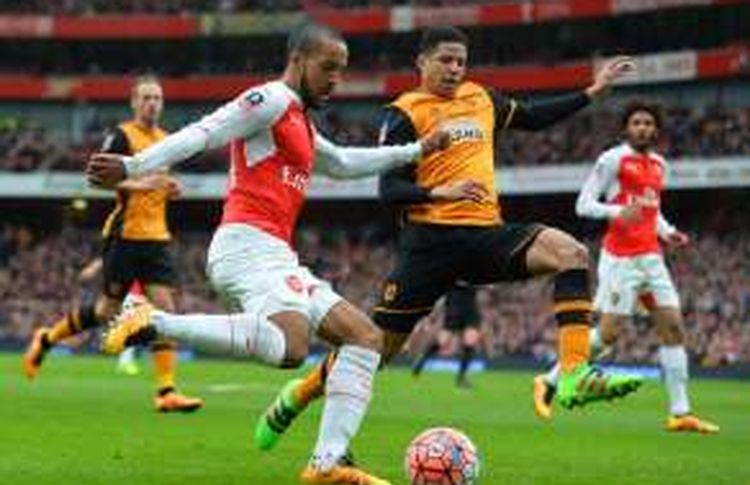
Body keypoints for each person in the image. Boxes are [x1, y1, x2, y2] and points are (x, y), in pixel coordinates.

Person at [86, 23, 450, 485]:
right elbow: (207, 130)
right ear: (298, 60)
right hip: (245, 244)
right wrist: (135, 166)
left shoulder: (298, 117)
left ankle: (326, 462)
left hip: (274, 252)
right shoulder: (270, 100)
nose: (336, 80)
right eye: (328, 68)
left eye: (342, 70)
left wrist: (416, 149)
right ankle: (155, 321)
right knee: (293, 346)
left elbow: (340, 163)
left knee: (364, 338)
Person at [255, 25, 643, 452]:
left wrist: (593, 91)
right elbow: (389, 190)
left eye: (461, 61)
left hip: (485, 236)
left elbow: (534, 116)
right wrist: (438, 192)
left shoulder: (483, 98)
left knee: (570, 252)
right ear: (421, 62)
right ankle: (298, 394)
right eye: (445, 60)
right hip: (429, 247)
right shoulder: (405, 111)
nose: (455, 68)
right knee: (374, 353)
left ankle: (572, 375)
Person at [532, 102, 719, 434]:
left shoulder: (659, 164)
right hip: (621, 260)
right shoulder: (612, 159)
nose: (643, 128)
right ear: (625, 128)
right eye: (637, 122)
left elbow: (652, 209)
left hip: (652, 258)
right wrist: (617, 213)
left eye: (648, 123)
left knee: (674, 328)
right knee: (607, 336)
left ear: (656, 130)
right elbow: (583, 204)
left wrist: (667, 231)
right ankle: (548, 379)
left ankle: (680, 413)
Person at [22, 77, 203, 413]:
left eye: (158, 98)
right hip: (124, 235)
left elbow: (157, 185)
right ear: (134, 102)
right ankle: (46, 338)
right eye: (146, 97)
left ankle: (166, 392)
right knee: (106, 311)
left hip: (157, 238)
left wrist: (169, 187)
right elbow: (95, 179)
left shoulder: (166, 141)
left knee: (166, 312)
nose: (152, 103)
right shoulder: (121, 136)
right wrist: (140, 185)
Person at [412, 284, 482, 388]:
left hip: (471, 307)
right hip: (454, 305)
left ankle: (461, 377)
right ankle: (422, 360)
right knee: (443, 340)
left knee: (470, 341)